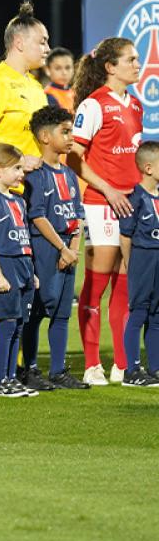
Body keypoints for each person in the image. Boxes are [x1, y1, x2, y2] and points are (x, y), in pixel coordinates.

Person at [0, 1, 50, 382]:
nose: (47, 48)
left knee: (21, 279)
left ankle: (14, 364)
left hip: (29, 196)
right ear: (19, 42)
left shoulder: (37, 88)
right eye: (42, 41)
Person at [69, 37, 142, 385]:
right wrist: (108, 189)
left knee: (125, 285)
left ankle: (123, 365)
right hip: (101, 205)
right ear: (110, 67)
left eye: (138, 58)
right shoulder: (94, 105)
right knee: (97, 284)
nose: (137, 64)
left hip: (132, 206)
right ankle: (92, 363)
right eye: (130, 59)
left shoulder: (136, 105)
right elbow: (74, 157)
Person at [20, 106, 88, 390]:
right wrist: (61, 248)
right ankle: (31, 368)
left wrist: (72, 247)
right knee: (36, 310)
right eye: (65, 131)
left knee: (61, 313)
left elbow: (78, 214)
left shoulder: (70, 175)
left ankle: (58, 370)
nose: (71, 136)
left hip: (67, 248)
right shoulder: (35, 174)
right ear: (45, 137)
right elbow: (36, 215)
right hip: (45, 247)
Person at [0, 144, 38, 398]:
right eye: (17, 168)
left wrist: (31, 272)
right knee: (8, 324)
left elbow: (24, 239)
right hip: (5, 266)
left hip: (23, 266)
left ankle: (11, 378)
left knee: (20, 325)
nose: (22, 173)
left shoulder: (19, 201)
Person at [118, 141, 159, 387]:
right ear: (148, 168)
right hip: (142, 259)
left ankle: (155, 367)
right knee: (139, 313)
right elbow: (125, 235)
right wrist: (130, 263)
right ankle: (131, 370)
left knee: (157, 315)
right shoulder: (134, 199)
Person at [43, 48, 76, 112]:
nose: (64, 73)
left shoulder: (75, 93)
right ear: (47, 70)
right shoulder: (48, 96)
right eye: (58, 68)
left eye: (68, 67)